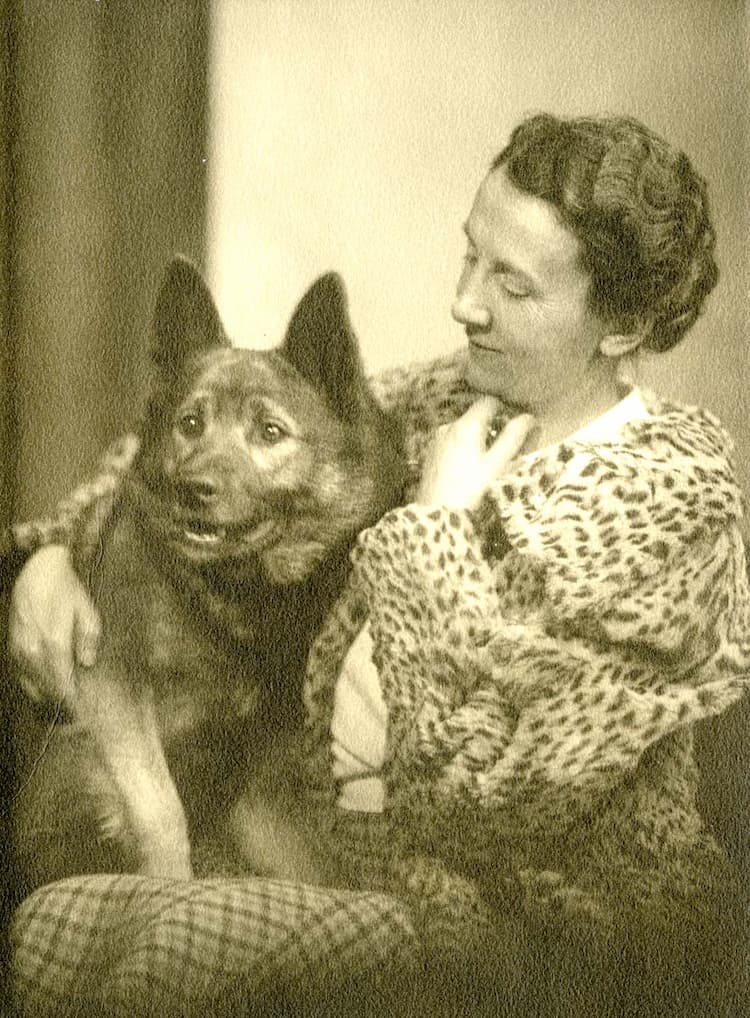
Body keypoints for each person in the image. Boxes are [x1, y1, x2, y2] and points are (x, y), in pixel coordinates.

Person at [5, 113, 749, 1017]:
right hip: (351, 860)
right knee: (54, 924)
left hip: (535, 925)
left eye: (512, 285)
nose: (465, 303)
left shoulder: (668, 504)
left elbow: (486, 800)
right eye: (469, 257)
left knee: (172, 949)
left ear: (622, 322)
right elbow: (195, 444)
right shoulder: (450, 396)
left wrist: (436, 526)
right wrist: (51, 554)